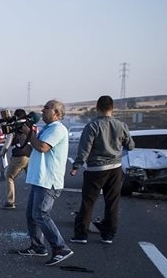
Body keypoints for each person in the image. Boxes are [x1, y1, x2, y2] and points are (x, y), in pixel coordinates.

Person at [70, 95, 134, 244]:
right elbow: (130, 145)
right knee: (112, 203)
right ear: (112, 108)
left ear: (97, 108)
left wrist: (76, 165)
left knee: (88, 202)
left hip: (96, 169)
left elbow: (85, 149)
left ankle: (81, 235)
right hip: (115, 168)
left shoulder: (92, 126)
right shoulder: (121, 125)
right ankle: (108, 235)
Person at [17, 99, 73, 266]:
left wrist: (30, 132)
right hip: (39, 179)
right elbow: (28, 149)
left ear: (56, 113)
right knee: (31, 215)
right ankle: (38, 246)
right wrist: (21, 134)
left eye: (46, 108)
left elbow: (42, 147)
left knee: (41, 214)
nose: (42, 110)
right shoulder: (46, 129)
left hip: (49, 180)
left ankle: (61, 247)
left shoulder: (58, 129)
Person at [3, 108, 34, 209]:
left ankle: (10, 201)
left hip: (19, 156)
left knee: (9, 176)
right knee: (34, 180)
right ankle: (37, 201)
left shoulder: (16, 126)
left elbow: (9, 139)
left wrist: (3, 151)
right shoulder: (29, 125)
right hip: (30, 155)